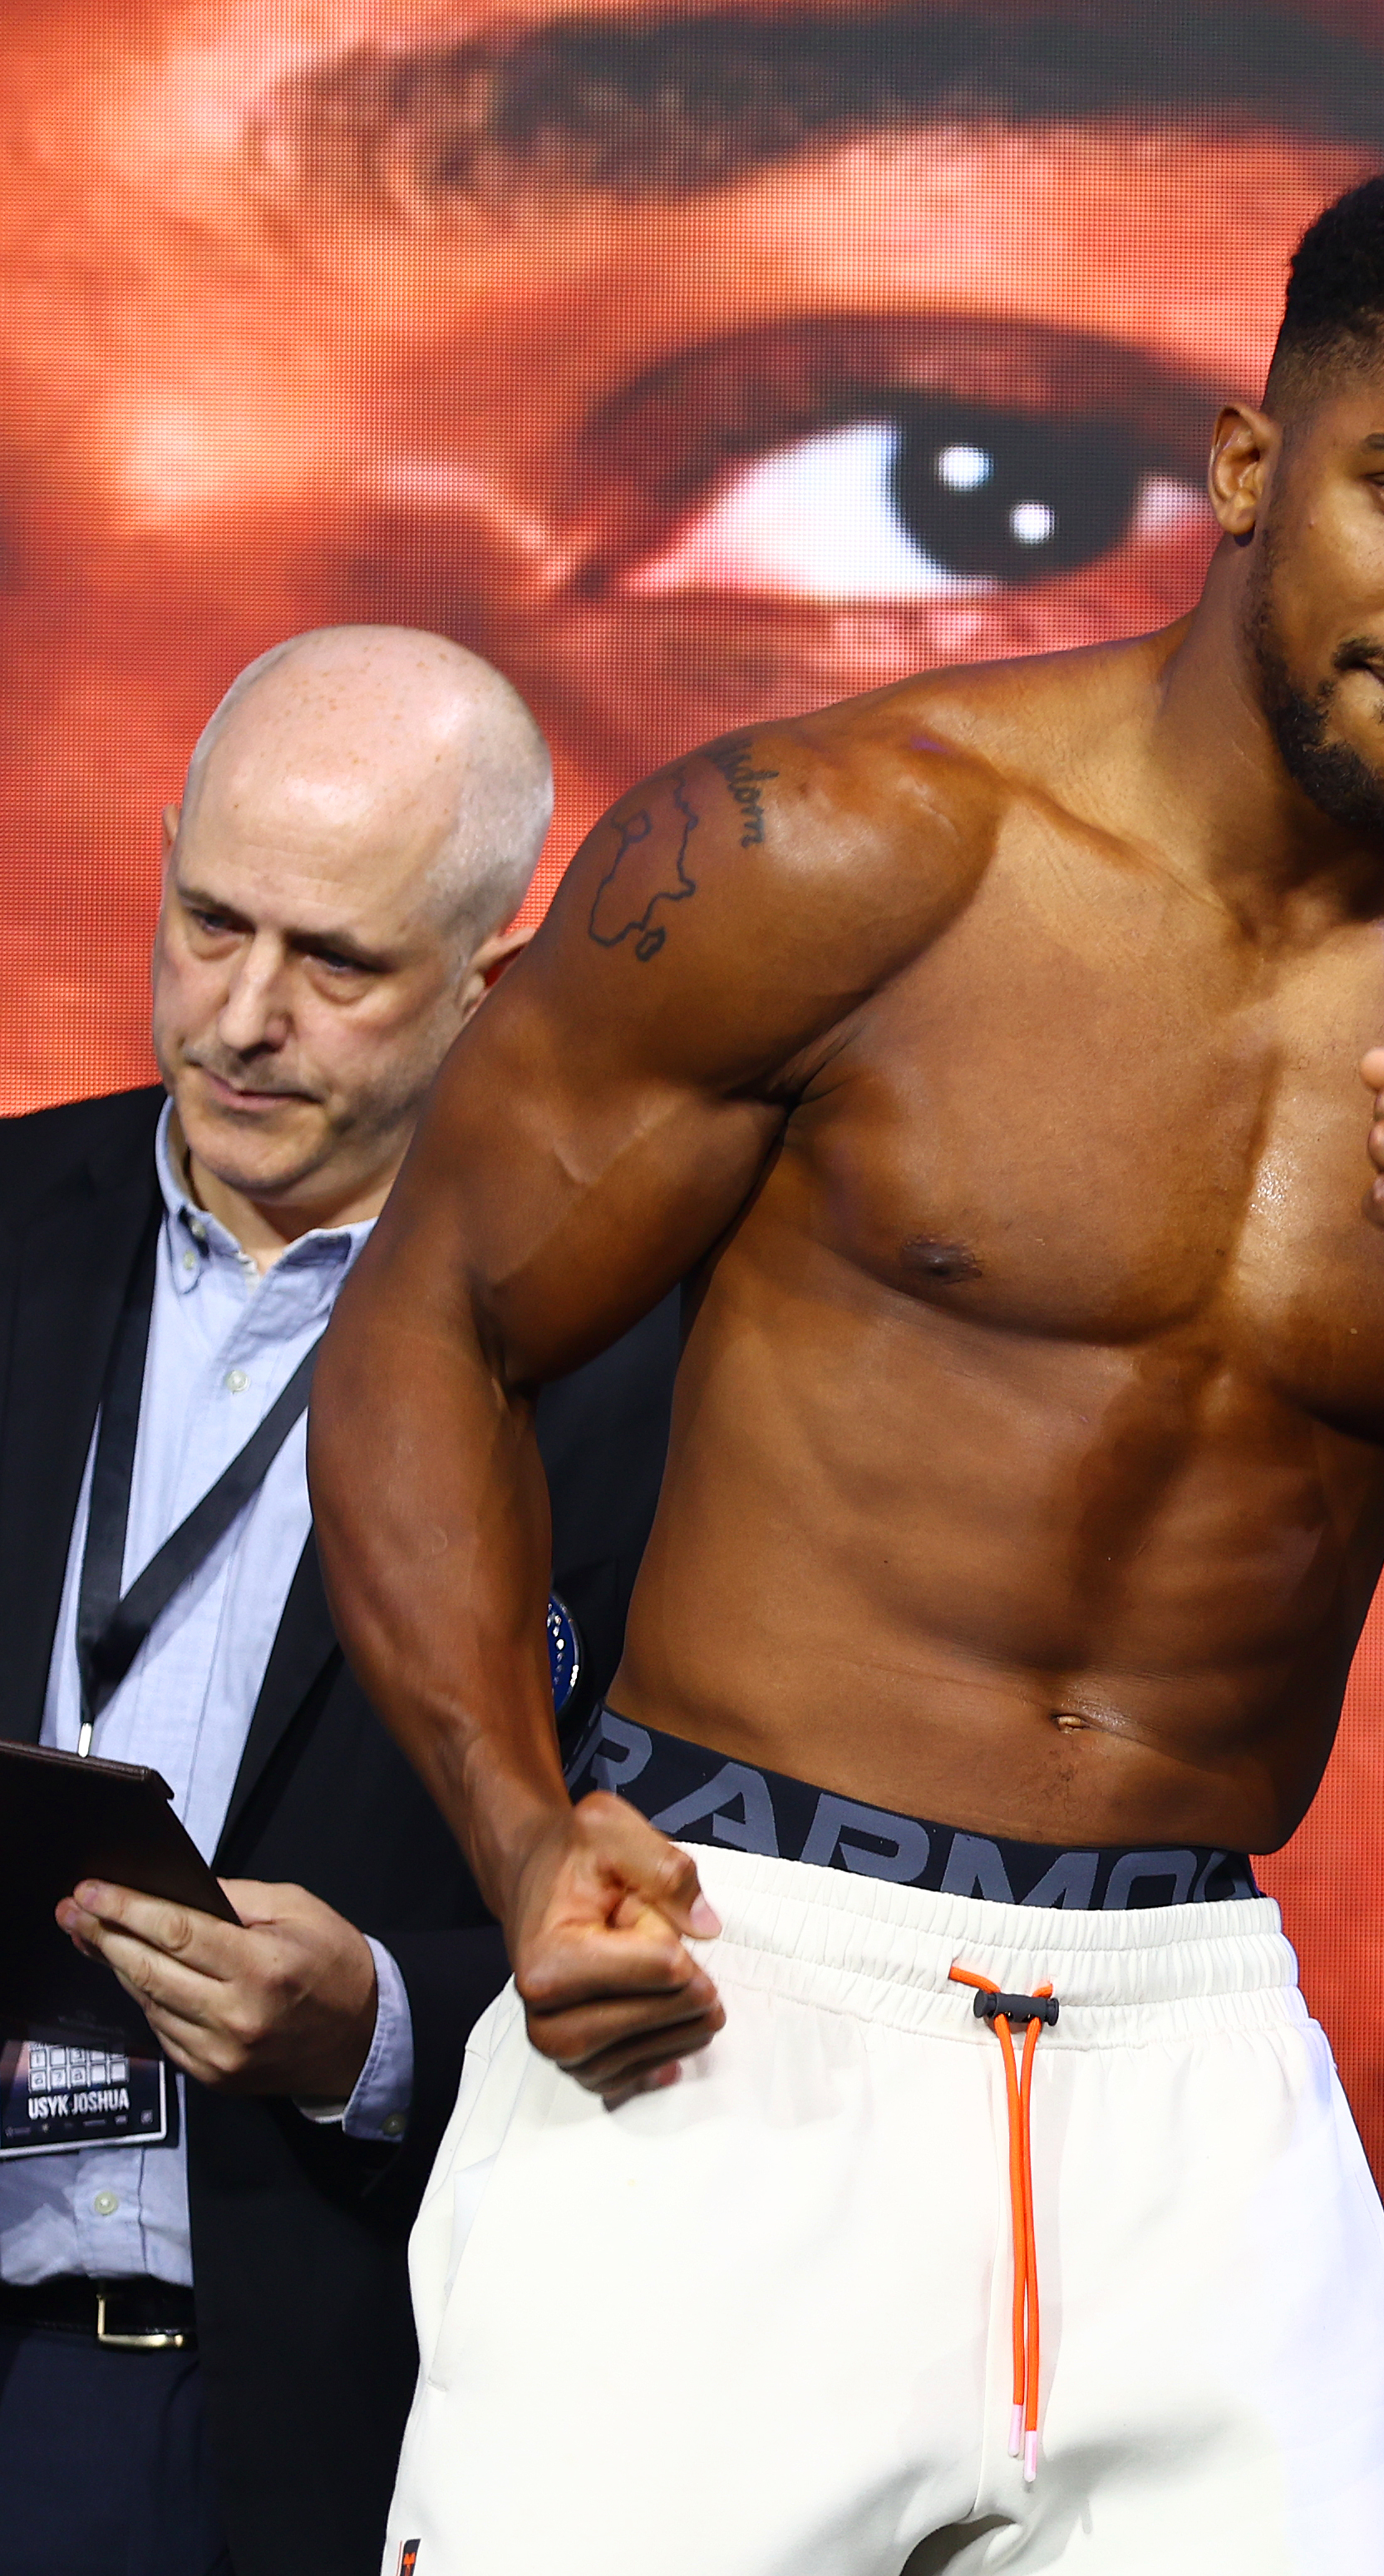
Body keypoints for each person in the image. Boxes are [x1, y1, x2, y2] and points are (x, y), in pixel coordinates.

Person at [309, 157, 1384, 2571]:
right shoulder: (847, 849)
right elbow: (422, 1323)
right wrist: (526, 1834)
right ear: (1254, 468)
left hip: (1195, 2057)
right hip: (738, 1986)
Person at [0, 628, 671, 2576]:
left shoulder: (640, 1364)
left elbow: (730, 1926)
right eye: (209, 920)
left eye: (338, 963)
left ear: (495, 976)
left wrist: (381, 2017)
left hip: (349, 2409)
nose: (240, 1014)